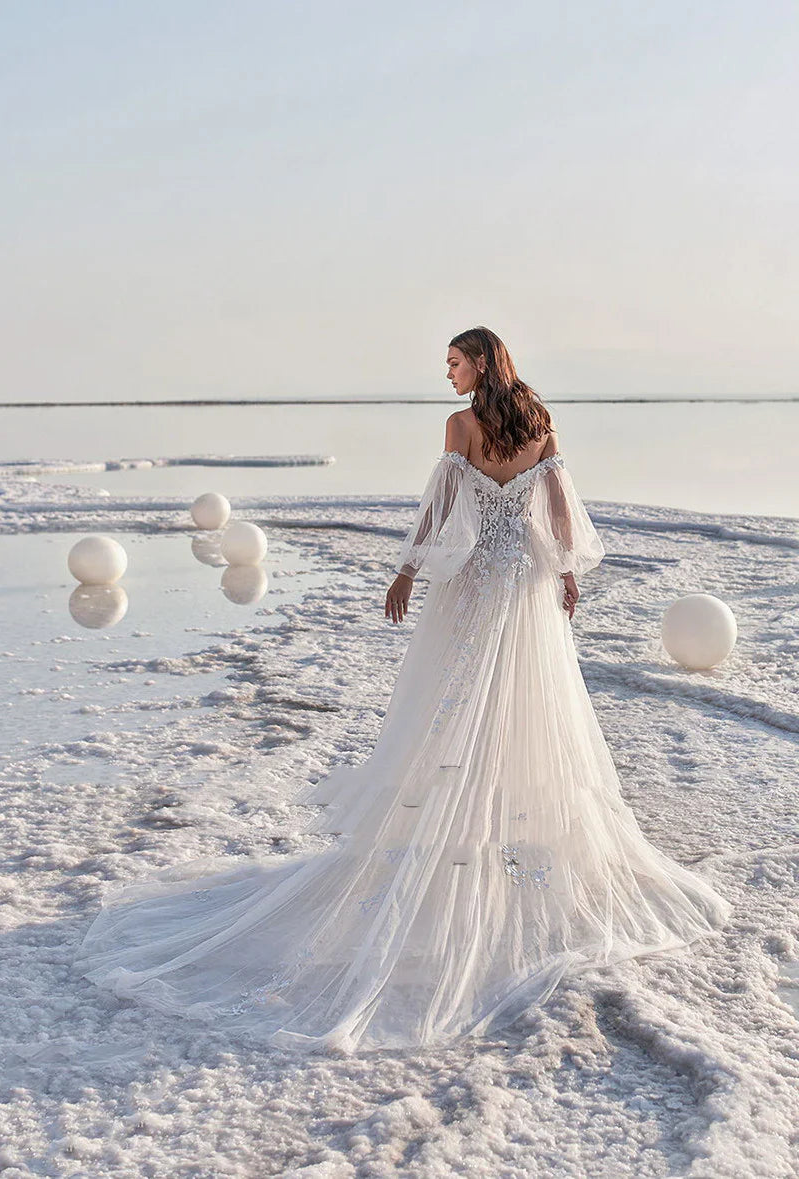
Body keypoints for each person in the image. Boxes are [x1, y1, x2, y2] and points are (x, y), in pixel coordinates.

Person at [75, 326, 732, 1055]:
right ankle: (498, 838)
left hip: (481, 579)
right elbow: (555, 511)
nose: (446, 372)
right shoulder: (539, 418)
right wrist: (566, 572)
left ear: (480, 362)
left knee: (456, 700)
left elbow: (442, 505)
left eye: (453, 361)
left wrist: (408, 569)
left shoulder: (461, 424)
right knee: (517, 698)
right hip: (528, 583)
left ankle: (463, 835)